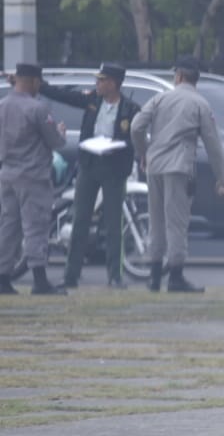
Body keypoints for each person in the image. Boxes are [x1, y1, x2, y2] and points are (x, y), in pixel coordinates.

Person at [37, 63, 141, 289]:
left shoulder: (130, 109)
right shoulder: (92, 100)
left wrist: (120, 145)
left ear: (113, 83)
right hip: (90, 164)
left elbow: (136, 139)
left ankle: (115, 276)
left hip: (113, 168)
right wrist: (41, 86)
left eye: (101, 80)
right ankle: (71, 274)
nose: (97, 84)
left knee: (114, 224)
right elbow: (65, 96)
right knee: (80, 220)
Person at [131, 56, 224, 293]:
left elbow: (136, 127)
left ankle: (154, 277)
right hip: (180, 167)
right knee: (177, 223)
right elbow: (213, 143)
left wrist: (143, 153)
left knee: (156, 222)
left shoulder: (160, 98)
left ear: (179, 76)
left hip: (154, 166)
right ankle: (175, 276)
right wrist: (221, 177)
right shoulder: (200, 104)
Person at [0, 64, 68, 296]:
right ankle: (39, 280)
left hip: (7, 174)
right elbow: (55, 142)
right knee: (35, 227)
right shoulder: (38, 108)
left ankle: (3, 277)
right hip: (33, 175)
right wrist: (60, 131)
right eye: (38, 81)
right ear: (32, 81)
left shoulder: (3, 105)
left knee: (8, 227)